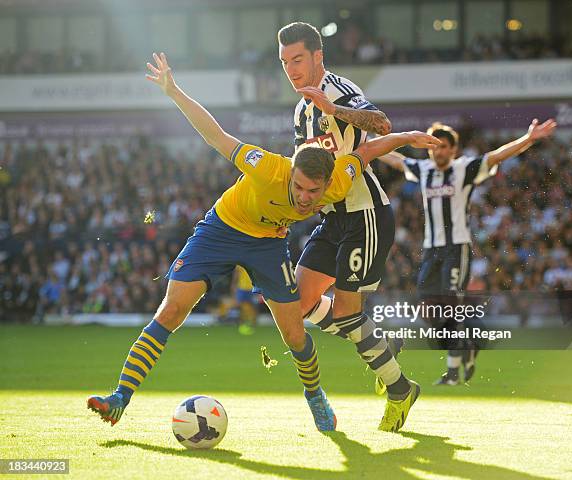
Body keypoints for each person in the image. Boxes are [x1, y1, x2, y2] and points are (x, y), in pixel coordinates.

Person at [86, 52, 440, 432]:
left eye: (313, 192)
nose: (306, 198)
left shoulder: (337, 179)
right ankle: (120, 397)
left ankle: (316, 397)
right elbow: (216, 135)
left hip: (269, 243)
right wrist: (174, 92)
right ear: (290, 174)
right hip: (221, 230)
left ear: (326, 185)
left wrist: (406, 138)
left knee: (294, 331)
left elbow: (367, 149)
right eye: (299, 188)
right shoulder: (267, 166)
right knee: (171, 311)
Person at [278, 22, 419, 431]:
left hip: (366, 214)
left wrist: (333, 109)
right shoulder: (300, 109)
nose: (291, 68)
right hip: (332, 218)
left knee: (346, 311)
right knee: (298, 305)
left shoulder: (336, 88)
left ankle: (399, 389)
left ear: (318, 56)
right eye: (285, 62)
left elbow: (382, 124)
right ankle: (382, 344)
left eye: (298, 59)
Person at [378, 119, 556, 386]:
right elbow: (394, 159)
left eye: (444, 147)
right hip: (431, 249)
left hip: (456, 248)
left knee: (451, 306)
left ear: (453, 149)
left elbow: (496, 156)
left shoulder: (464, 168)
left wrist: (528, 139)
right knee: (427, 307)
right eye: (434, 147)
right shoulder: (423, 169)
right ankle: (471, 342)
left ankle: (452, 372)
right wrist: (365, 144)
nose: (438, 152)